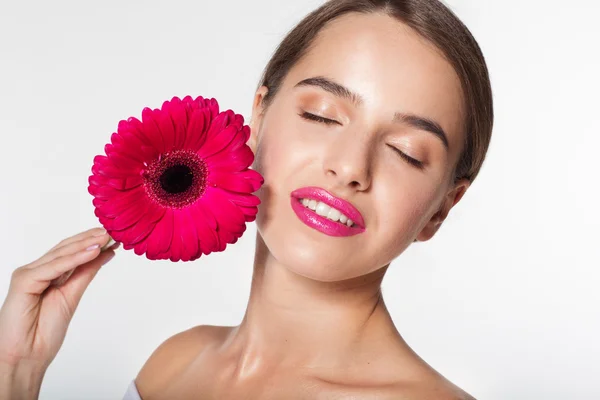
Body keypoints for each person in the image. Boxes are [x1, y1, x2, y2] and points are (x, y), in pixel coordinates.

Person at [0, 0, 494, 398]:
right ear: (257, 118)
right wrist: (16, 375)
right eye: (322, 115)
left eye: (405, 152)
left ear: (443, 207)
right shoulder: (173, 362)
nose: (349, 167)